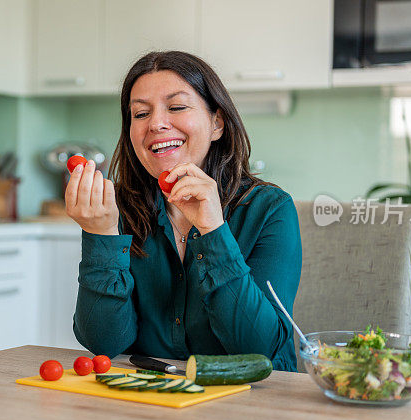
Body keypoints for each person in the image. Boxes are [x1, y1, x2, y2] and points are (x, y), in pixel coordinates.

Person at [64, 51, 302, 372]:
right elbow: (104, 342)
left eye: (176, 107)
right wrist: (101, 233)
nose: (156, 123)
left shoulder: (269, 208)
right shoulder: (117, 209)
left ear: (216, 123)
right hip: (152, 401)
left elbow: (261, 352)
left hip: (254, 402)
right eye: (140, 114)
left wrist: (213, 232)